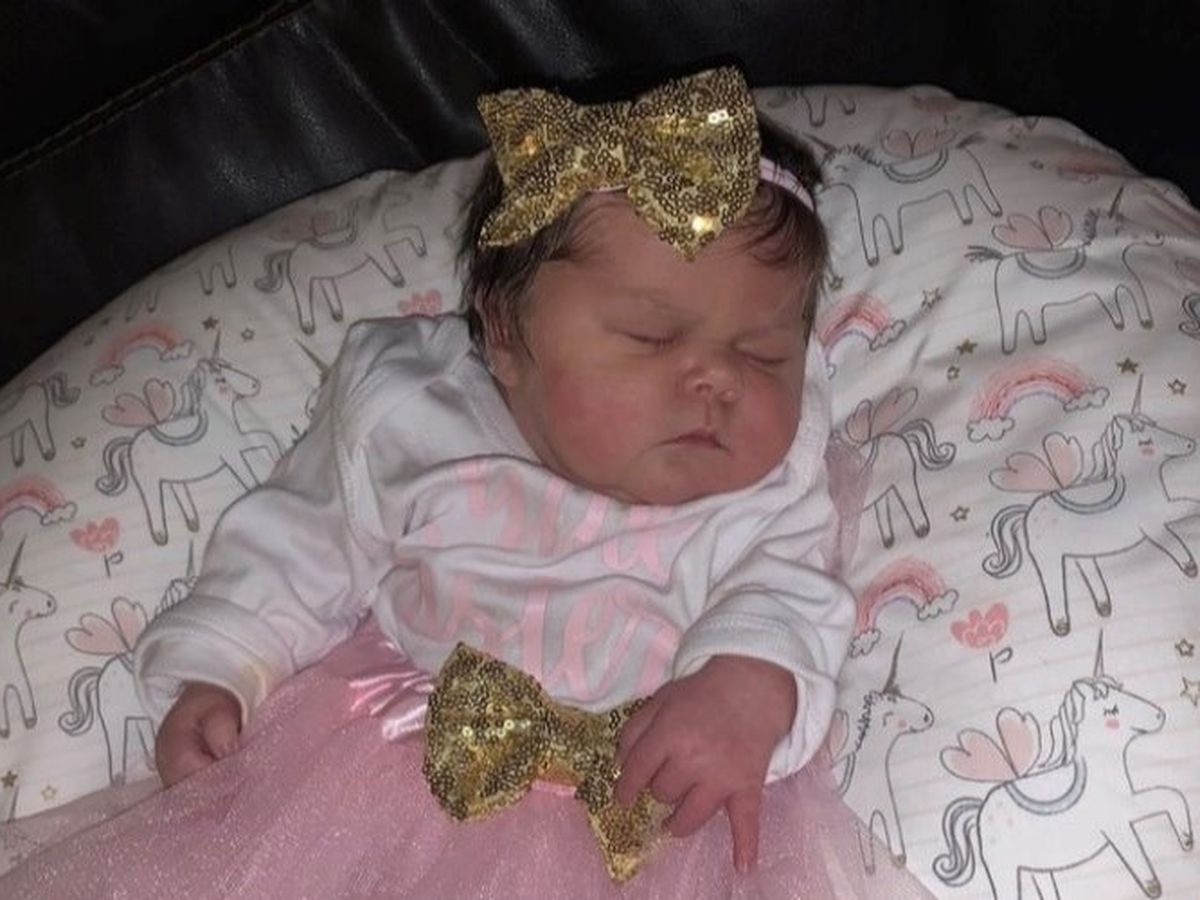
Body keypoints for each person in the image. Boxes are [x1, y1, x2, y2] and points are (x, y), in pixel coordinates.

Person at [1, 66, 931, 899]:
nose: (717, 380)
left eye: (763, 353)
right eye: (652, 338)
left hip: (641, 828)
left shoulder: (765, 482)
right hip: (381, 785)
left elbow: (790, 592)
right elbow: (302, 539)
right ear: (505, 335)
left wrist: (748, 685)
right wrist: (221, 667)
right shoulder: (414, 408)